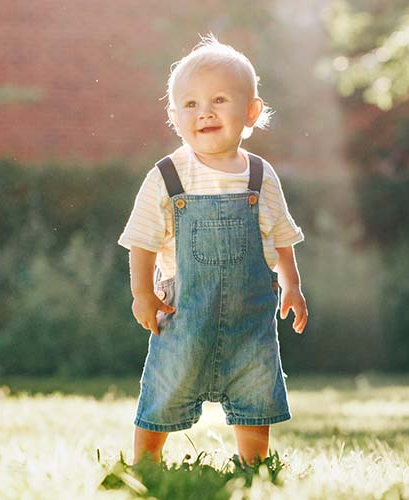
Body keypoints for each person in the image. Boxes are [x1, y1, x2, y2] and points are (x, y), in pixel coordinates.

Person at [117, 34, 308, 466]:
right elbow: (142, 241)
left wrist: (292, 285)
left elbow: (280, 237)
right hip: (184, 314)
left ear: (251, 112)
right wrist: (143, 293)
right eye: (190, 104)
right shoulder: (168, 175)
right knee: (165, 385)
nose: (204, 112)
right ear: (174, 117)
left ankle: (253, 461)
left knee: (256, 388)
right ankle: (146, 461)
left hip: (250, 319)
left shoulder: (260, 175)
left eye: (219, 100)